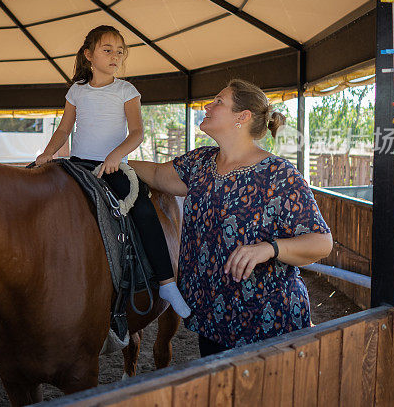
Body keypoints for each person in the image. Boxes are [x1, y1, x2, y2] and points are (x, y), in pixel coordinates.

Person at [130, 79, 334, 357]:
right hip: (212, 319)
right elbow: (155, 174)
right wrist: (105, 160)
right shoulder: (200, 163)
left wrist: (270, 248)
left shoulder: (279, 174)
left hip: (267, 322)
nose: (207, 106)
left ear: (243, 117)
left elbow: (322, 243)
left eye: (218, 102)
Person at [35, 25, 191, 318]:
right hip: (78, 163)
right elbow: (65, 128)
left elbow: (136, 133)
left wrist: (115, 156)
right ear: (89, 55)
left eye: (120, 51)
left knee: (144, 209)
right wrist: (48, 153)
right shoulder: (77, 91)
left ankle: (167, 282)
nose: (115, 56)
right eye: (107, 50)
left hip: (112, 166)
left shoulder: (125, 90)